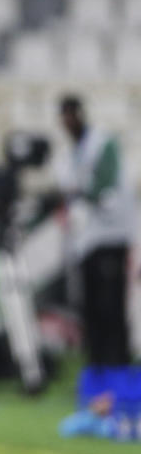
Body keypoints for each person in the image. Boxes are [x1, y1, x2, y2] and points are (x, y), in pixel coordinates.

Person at [56, 95, 134, 367]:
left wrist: (79, 194)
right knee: (90, 308)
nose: (68, 122)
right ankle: (98, 365)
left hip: (110, 236)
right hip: (85, 241)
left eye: (71, 115)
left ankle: (117, 366)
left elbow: (104, 186)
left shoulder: (101, 143)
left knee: (110, 306)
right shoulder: (68, 154)